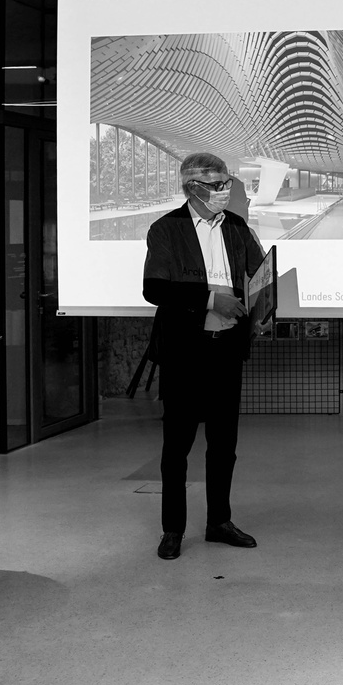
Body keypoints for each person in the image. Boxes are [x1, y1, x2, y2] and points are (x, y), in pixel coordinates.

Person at [144, 153, 271, 561]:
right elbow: (154, 289)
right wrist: (211, 299)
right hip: (185, 351)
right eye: (216, 186)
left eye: (226, 184)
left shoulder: (236, 227)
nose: (224, 192)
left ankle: (219, 521)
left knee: (223, 443)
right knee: (177, 446)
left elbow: (258, 275)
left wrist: (262, 309)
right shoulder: (166, 229)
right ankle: (173, 528)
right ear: (192, 188)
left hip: (226, 348)